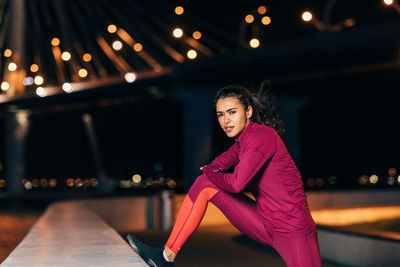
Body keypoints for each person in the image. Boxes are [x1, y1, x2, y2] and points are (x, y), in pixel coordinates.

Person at [127, 82, 322, 267]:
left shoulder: (263, 136)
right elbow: (217, 164)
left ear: (248, 112)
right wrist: (210, 172)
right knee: (204, 184)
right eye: (220, 114)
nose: (225, 120)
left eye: (232, 112)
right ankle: (166, 256)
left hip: (293, 230)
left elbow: (236, 184)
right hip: (264, 222)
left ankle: (165, 257)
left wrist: (211, 173)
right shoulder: (242, 142)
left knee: (207, 180)